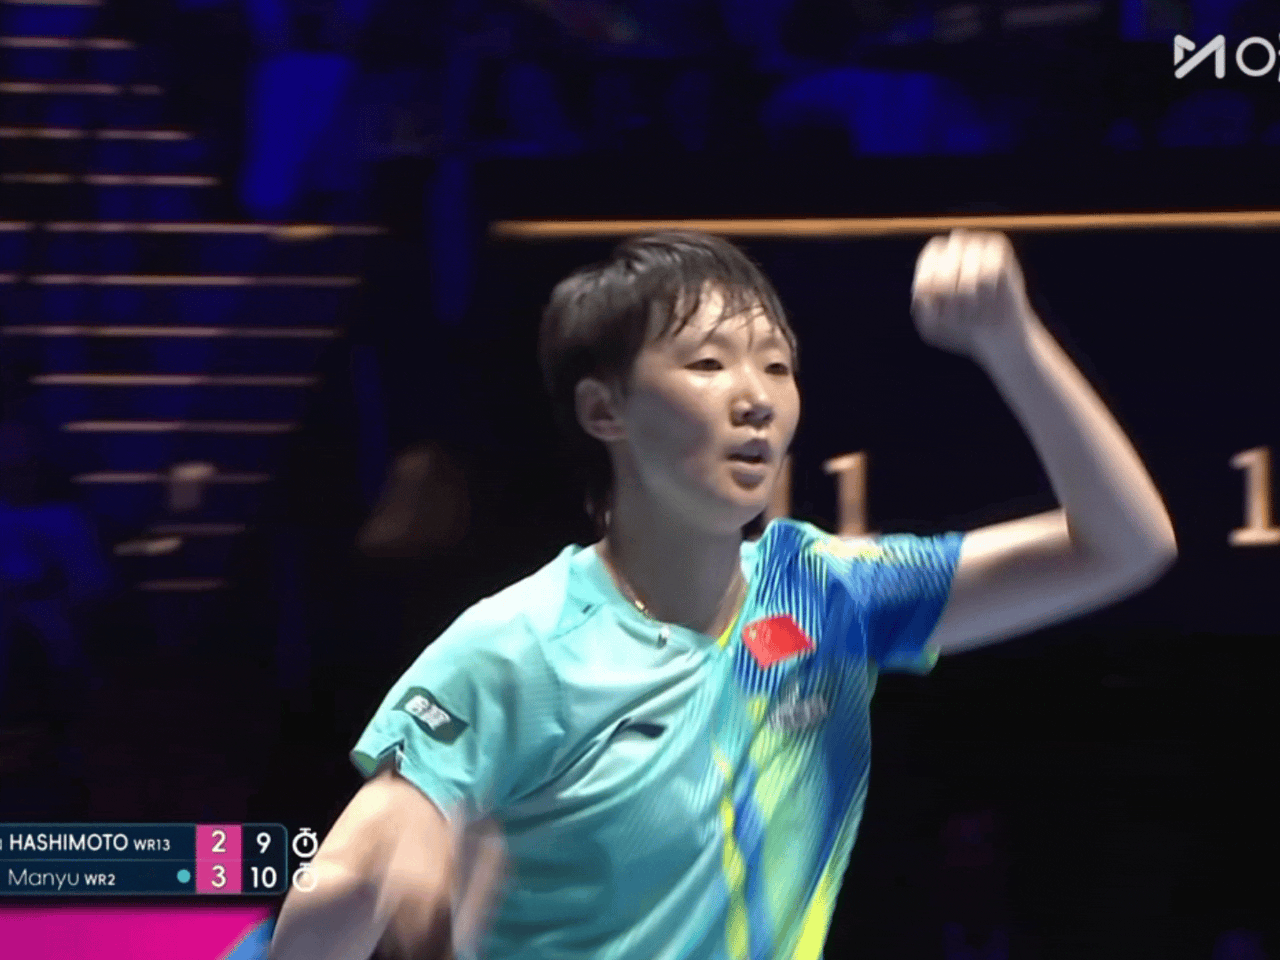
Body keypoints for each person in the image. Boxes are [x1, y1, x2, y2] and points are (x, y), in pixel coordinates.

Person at [269, 230, 1177, 960]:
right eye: (708, 364)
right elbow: (348, 878)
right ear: (604, 411)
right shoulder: (520, 645)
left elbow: (1122, 547)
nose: (756, 399)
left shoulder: (829, 595)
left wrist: (1012, 342)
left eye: (776, 366)